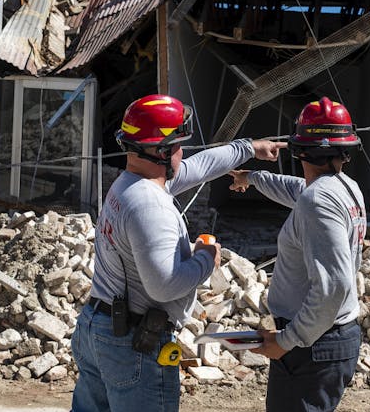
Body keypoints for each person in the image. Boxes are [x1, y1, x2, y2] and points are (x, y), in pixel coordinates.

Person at [71, 94, 286, 412]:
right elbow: (164, 285)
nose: (181, 153)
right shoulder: (149, 205)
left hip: (99, 328)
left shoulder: (131, 184)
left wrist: (250, 148)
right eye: (177, 145)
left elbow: (199, 167)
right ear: (159, 151)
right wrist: (205, 258)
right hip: (132, 342)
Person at [229, 97, 367, 412]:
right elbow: (296, 189)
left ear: (299, 149)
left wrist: (288, 339)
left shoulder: (318, 201)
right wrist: (251, 178)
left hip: (313, 347)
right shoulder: (343, 187)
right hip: (325, 340)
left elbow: (334, 286)